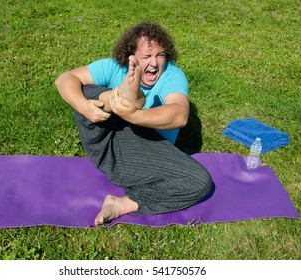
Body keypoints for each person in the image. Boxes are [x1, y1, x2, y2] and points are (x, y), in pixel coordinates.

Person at [55, 22, 213, 226]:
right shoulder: (113, 66)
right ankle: (121, 96)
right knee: (85, 91)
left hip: (147, 155)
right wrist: (84, 106)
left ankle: (123, 204)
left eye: (161, 55)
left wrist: (134, 115)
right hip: (105, 143)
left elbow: (179, 115)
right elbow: (64, 79)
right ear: (131, 56)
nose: (155, 64)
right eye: (146, 57)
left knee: (200, 182)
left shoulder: (172, 75)